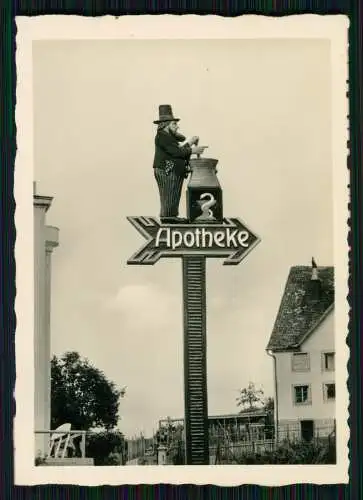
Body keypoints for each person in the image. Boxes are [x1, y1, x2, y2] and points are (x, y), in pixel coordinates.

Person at [153, 104, 207, 223]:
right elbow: (177, 152)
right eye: (174, 124)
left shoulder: (168, 137)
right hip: (167, 171)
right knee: (169, 193)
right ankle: (168, 217)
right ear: (165, 125)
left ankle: (171, 215)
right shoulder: (162, 136)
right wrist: (193, 150)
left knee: (173, 193)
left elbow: (179, 149)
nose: (177, 127)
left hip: (172, 171)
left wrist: (190, 143)